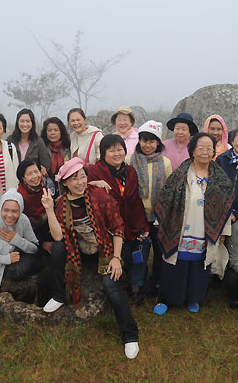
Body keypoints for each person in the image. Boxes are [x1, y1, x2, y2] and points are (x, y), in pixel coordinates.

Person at [41, 158, 140, 359]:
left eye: (83, 176)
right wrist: (50, 210)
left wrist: (115, 258)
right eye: (74, 179)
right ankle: (60, 295)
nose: (80, 182)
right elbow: (58, 236)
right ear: (65, 183)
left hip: (104, 250)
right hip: (79, 251)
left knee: (112, 288)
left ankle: (130, 335)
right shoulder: (61, 204)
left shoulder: (99, 196)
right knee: (58, 248)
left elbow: (117, 227)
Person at [153, 133, 234, 315]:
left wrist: (223, 230)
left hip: (205, 230)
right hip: (180, 227)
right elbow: (166, 198)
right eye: (201, 148)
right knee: (174, 264)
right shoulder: (181, 174)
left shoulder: (219, 178)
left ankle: (193, 297)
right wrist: (162, 222)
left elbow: (225, 205)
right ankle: (167, 298)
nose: (205, 152)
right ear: (193, 151)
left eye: (209, 148)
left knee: (199, 265)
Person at [87, 135, 150, 305]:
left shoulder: (129, 171)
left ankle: (137, 287)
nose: (117, 153)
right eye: (111, 150)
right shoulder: (94, 171)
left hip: (130, 222)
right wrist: (93, 183)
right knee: (121, 250)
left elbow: (134, 201)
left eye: (120, 149)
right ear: (103, 153)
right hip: (108, 228)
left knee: (142, 244)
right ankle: (118, 286)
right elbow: (76, 186)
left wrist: (142, 226)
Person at [126, 120, 172, 294]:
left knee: (159, 251)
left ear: (158, 143)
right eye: (144, 140)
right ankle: (137, 284)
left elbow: (169, 190)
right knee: (139, 252)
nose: (148, 145)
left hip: (159, 216)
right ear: (139, 141)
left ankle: (157, 282)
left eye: (152, 141)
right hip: (137, 216)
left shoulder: (165, 162)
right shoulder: (130, 160)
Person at [16, 159, 55, 252]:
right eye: (29, 174)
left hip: (47, 225)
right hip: (32, 233)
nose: (35, 176)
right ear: (23, 178)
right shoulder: (21, 197)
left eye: (36, 171)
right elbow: (23, 227)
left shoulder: (42, 185)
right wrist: (42, 243)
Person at [7, 108, 52, 174]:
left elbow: (46, 164)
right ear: (17, 122)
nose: (25, 124)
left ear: (32, 123)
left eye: (28, 121)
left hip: (33, 180)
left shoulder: (38, 141)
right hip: (13, 178)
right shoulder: (10, 140)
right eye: (22, 121)